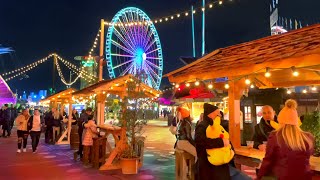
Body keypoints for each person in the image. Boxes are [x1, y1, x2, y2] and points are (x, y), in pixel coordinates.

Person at [257, 99, 314, 180]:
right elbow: (310, 154)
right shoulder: (308, 137)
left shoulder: (275, 136)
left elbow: (267, 160)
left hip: (283, 177)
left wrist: (259, 177)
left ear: (280, 121)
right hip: (305, 177)